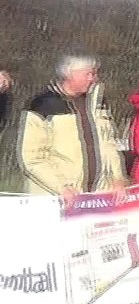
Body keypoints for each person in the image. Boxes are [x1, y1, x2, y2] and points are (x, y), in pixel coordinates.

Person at [18, 55, 128, 200]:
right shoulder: (41, 105)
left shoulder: (98, 103)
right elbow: (32, 158)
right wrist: (61, 188)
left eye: (94, 74)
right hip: (57, 197)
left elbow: (109, 145)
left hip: (100, 197)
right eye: (88, 74)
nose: (93, 79)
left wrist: (118, 178)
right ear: (69, 74)